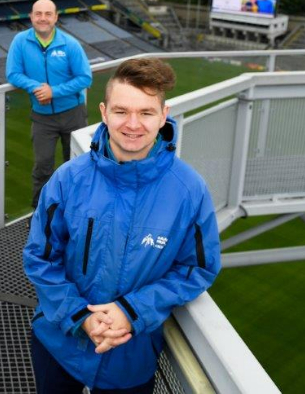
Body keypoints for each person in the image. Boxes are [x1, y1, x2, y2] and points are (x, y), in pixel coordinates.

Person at [23, 58, 221, 393]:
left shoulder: (190, 190)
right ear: (103, 112)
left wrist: (131, 311)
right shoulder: (68, 179)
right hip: (59, 343)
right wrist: (80, 317)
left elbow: (198, 269)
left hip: (130, 355)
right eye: (121, 111)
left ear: (163, 115)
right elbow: (40, 259)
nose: (133, 124)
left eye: (145, 112)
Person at [6, 0, 92, 208]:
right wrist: (37, 87)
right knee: (43, 167)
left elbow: (85, 78)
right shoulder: (20, 41)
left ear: (55, 17)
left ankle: (75, 210)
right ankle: (40, 213)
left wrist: (54, 92)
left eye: (47, 14)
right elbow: (13, 74)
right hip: (42, 117)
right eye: (38, 14)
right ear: (31, 17)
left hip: (73, 113)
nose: (42, 18)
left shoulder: (69, 43)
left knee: (76, 164)